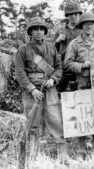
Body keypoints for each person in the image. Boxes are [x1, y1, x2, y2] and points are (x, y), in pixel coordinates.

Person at [15, 16, 68, 161]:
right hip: (31, 91)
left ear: (44, 31)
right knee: (32, 122)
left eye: (41, 29)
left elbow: (58, 68)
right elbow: (20, 72)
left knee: (56, 119)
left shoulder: (51, 48)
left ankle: (62, 155)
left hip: (49, 88)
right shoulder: (23, 49)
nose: (39, 32)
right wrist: (32, 89)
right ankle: (32, 155)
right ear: (30, 32)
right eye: (35, 29)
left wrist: (53, 79)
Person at [64, 12, 94, 151]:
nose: (89, 26)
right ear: (81, 26)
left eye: (91, 24)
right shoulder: (74, 44)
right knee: (84, 111)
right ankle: (85, 143)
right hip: (81, 81)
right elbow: (67, 63)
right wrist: (83, 65)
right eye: (86, 24)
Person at [53, 1, 83, 92]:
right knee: (58, 93)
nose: (73, 16)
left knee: (80, 95)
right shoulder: (61, 30)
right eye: (71, 14)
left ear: (79, 14)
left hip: (80, 67)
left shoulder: (83, 30)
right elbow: (51, 51)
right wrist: (57, 41)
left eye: (75, 14)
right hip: (64, 67)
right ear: (67, 16)